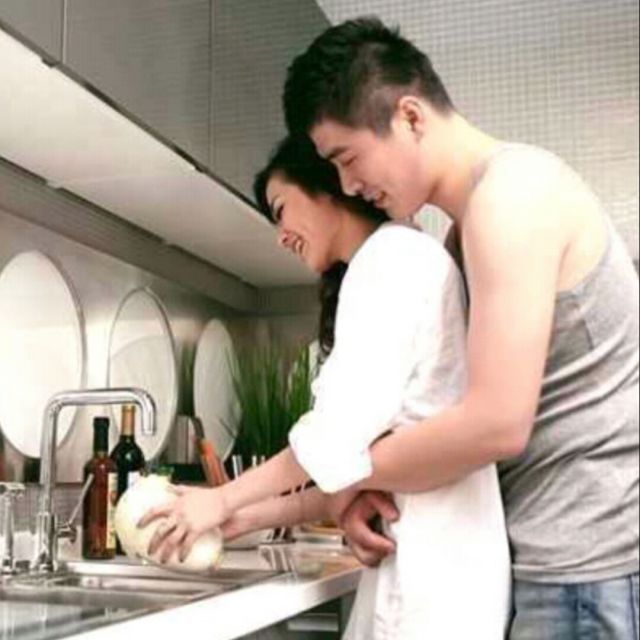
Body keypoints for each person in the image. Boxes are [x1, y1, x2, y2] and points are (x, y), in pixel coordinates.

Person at [281, 16, 640, 639]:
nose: (347, 185)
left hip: (585, 567)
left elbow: (495, 423)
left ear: (409, 116)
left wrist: (343, 471)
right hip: (554, 561)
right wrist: (354, 489)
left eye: (348, 158)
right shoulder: (463, 233)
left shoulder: (514, 196)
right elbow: (441, 422)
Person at [139, 135, 511, 638]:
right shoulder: (390, 259)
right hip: (429, 561)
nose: (280, 236)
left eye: (280, 210)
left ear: (325, 187)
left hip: (435, 574)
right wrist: (239, 519)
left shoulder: (391, 260)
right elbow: (354, 468)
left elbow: (333, 439)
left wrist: (223, 500)